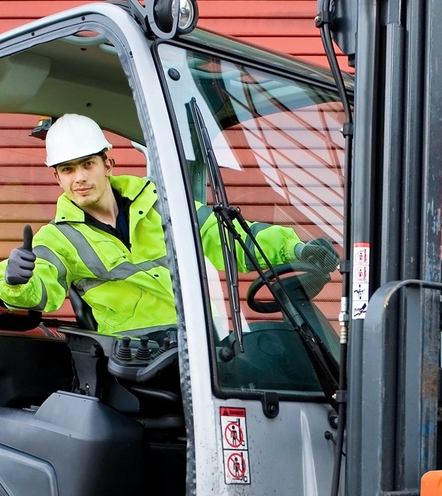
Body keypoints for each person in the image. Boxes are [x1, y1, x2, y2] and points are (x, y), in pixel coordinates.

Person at [0, 113, 338, 335]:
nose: (80, 178)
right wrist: (14, 281)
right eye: (68, 170)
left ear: (108, 164)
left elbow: (226, 235)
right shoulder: (56, 239)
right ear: (57, 178)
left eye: (87, 164)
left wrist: (294, 249)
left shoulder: (162, 205)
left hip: (203, 346)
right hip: (134, 361)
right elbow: (40, 287)